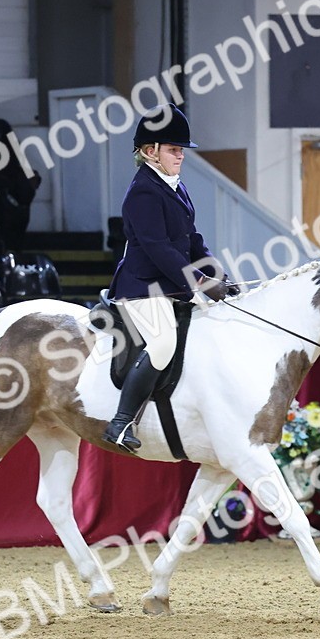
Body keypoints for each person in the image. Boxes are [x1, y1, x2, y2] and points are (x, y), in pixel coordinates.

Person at [103, 104, 238, 452]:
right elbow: (159, 248)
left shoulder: (175, 186)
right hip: (142, 287)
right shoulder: (143, 191)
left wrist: (218, 274)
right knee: (164, 344)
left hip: (169, 283)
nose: (181, 156)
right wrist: (202, 283)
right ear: (150, 152)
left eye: (181, 150)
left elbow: (191, 239)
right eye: (174, 150)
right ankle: (120, 423)